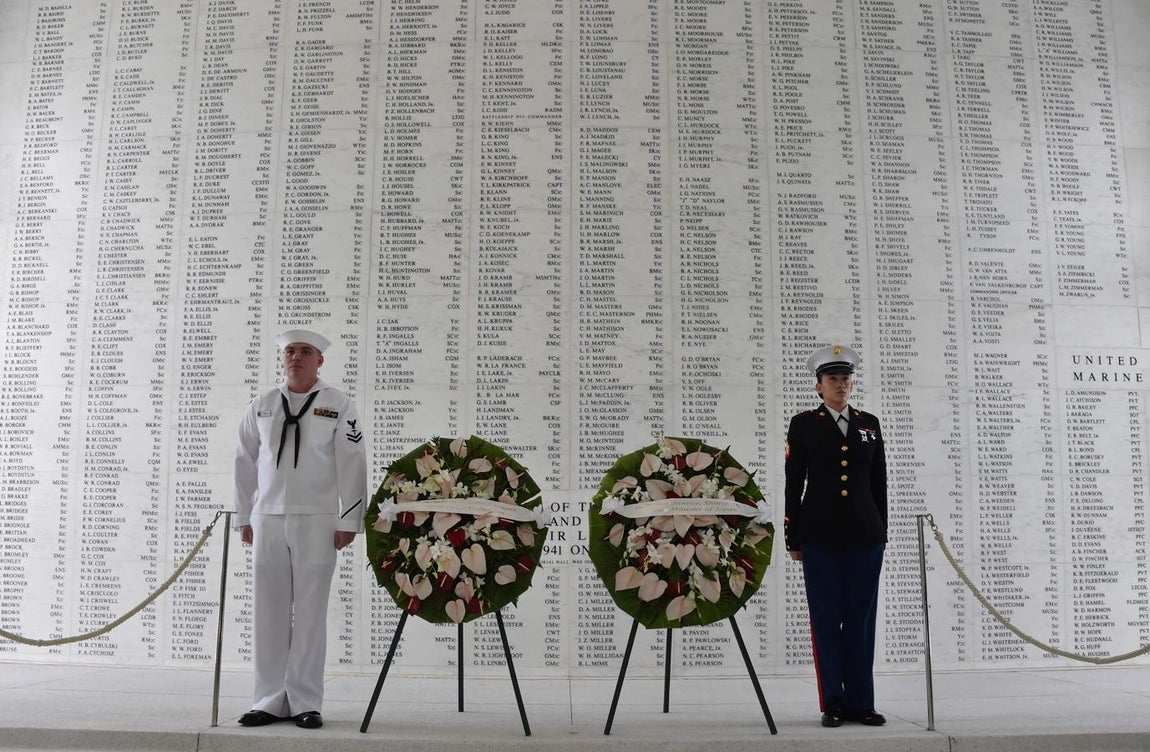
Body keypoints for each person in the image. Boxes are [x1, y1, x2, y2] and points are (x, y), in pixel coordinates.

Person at [233, 329, 367, 729]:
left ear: (319, 360)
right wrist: (242, 515)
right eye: (290, 351)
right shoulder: (262, 404)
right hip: (268, 518)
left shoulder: (338, 404)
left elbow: (352, 461)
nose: (296, 357)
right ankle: (268, 699)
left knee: (310, 613)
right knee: (268, 610)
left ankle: (307, 700)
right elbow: (244, 461)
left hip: (318, 518)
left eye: (304, 352)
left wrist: (350, 519)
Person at [784, 344, 887, 728]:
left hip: (865, 534)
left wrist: (882, 530)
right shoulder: (804, 424)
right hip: (819, 534)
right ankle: (834, 702)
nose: (840, 384)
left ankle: (863, 702)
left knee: (861, 618)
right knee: (826, 617)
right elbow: (793, 483)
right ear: (819, 387)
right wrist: (792, 536)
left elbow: (880, 482)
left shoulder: (869, 423)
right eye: (832, 379)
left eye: (845, 379)